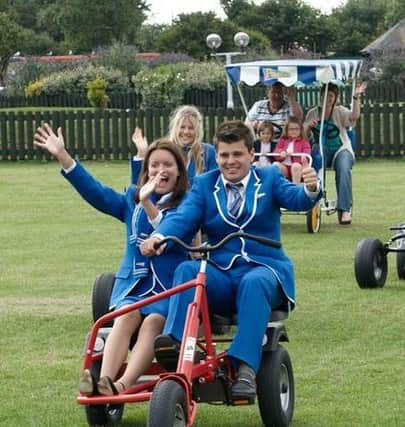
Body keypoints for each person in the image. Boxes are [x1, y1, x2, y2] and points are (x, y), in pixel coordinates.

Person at [140, 120, 319, 400]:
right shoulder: (204, 184)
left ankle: (246, 368)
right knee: (188, 269)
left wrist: (310, 189)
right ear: (217, 156)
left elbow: (296, 198)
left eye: (237, 154)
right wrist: (160, 236)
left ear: (250, 154)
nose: (230, 161)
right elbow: (183, 217)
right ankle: (175, 343)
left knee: (255, 282)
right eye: (224, 155)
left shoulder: (269, 178)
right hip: (221, 272)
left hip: (264, 267)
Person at [33, 125, 190, 396]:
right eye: (154, 165)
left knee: (153, 320)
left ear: (179, 173)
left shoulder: (188, 205)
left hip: (170, 290)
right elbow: (96, 192)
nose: (160, 171)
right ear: (146, 171)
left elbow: (171, 229)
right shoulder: (131, 204)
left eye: (168, 165)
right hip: (135, 288)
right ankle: (103, 381)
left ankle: (122, 385)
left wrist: (148, 201)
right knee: (125, 315)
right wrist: (63, 156)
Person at [304, 81, 366, 225]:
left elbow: (354, 116)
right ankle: (315, 199)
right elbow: (305, 136)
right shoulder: (313, 113)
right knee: (316, 162)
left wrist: (356, 97)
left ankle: (345, 209)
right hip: (321, 148)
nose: (328, 98)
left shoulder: (340, 111)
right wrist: (308, 126)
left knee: (343, 168)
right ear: (320, 96)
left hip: (341, 149)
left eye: (331, 95)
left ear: (335, 98)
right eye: (325, 94)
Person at [131, 105, 217, 183]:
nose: (186, 132)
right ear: (175, 128)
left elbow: (215, 185)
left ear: (198, 130)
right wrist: (141, 154)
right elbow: (140, 186)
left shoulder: (209, 152)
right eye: (182, 127)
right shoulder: (164, 150)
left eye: (191, 128)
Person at [274, 117, 311, 184]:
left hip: (298, 167)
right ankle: (281, 187)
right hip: (285, 166)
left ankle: (295, 188)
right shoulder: (283, 140)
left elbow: (307, 152)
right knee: (275, 165)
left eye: (296, 129)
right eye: (291, 129)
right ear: (287, 130)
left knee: (296, 166)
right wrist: (281, 153)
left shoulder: (304, 141)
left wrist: (301, 156)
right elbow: (276, 151)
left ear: (300, 130)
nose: (294, 131)